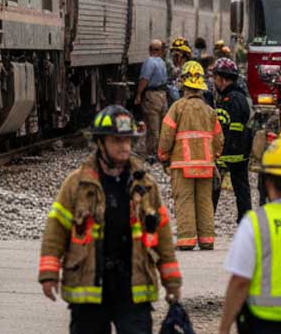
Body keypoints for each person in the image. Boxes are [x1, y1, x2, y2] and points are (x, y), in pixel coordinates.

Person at [39, 106, 181, 334]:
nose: (125, 146)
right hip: (89, 288)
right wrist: (49, 274)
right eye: (117, 140)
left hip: (133, 287)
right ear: (100, 142)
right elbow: (56, 229)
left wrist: (171, 280)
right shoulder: (77, 184)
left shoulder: (145, 185)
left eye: (128, 140)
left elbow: (162, 231)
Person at [159, 60, 224, 250]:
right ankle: (207, 239)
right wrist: (215, 156)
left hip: (182, 164)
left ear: (184, 83)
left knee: (185, 200)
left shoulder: (177, 108)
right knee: (205, 201)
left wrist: (163, 156)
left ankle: (187, 241)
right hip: (205, 165)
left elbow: (166, 136)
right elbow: (219, 139)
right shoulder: (210, 111)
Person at [219, 139, 281, 334]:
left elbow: (239, 281)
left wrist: (224, 328)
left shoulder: (255, 223)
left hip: (264, 321)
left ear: (267, 181)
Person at [212, 57, 253, 223]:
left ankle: (207, 221)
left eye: (215, 78)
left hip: (229, 152)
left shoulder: (230, 100)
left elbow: (227, 128)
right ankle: (245, 219)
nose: (214, 82)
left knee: (213, 188)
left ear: (222, 79)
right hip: (241, 152)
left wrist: (221, 153)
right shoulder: (240, 96)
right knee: (242, 188)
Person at [134, 39, 170, 161]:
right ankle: (161, 150)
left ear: (149, 50)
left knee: (152, 124)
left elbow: (144, 79)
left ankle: (152, 152)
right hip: (163, 95)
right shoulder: (162, 62)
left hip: (152, 96)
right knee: (161, 124)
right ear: (160, 51)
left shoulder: (149, 62)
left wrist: (138, 94)